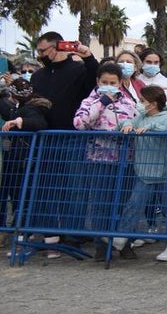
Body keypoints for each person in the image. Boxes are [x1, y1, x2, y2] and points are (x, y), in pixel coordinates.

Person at [73, 62, 139, 259]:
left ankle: (123, 242)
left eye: (113, 82)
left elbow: (137, 120)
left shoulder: (128, 102)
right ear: (98, 82)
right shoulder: (89, 102)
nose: (109, 85)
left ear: (120, 83)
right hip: (100, 160)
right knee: (101, 203)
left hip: (125, 161)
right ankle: (101, 245)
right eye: (105, 82)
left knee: (123, 204)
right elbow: (80, 123)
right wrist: (101, 102)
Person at [116, 85, 167, 256]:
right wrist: (128, 124)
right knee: (133, 205)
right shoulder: (141, 117)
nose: (139, 104)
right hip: (145, 172)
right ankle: (122, 236)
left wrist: (153, 129)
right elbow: (126, 122)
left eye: (142, 101)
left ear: (153, 104)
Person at [0, 78, 51, 226]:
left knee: (19, 195)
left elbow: (39, 123)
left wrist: (19, 122)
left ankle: (20, 227)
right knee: (13, 193)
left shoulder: (30, 109)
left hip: (21, 159)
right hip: (15, 158)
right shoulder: (19, 107)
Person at [30, 32, 99, 130]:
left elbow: (95, 82)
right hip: (42, 135)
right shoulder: (37, 76)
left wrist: (89, 58)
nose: (40, 55)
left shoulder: (80, 70)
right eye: (39, 52)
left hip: (72, 136)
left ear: (56, 47)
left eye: (42, 51)